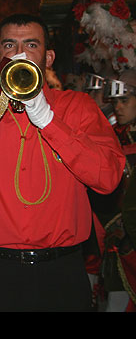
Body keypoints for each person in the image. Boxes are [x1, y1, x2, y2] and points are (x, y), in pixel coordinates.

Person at [0, 14, 125, 312]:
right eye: (10, 44)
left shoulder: (78, 106)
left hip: (64, 270)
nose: (19, 54)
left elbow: (109, 178)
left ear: (48, 57)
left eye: (30, 45)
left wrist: (48, 120)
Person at [96, 70, 136, 311]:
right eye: (116, 101)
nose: (118, 107)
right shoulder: (115, 138)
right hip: (114, 247)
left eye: (125, 100)